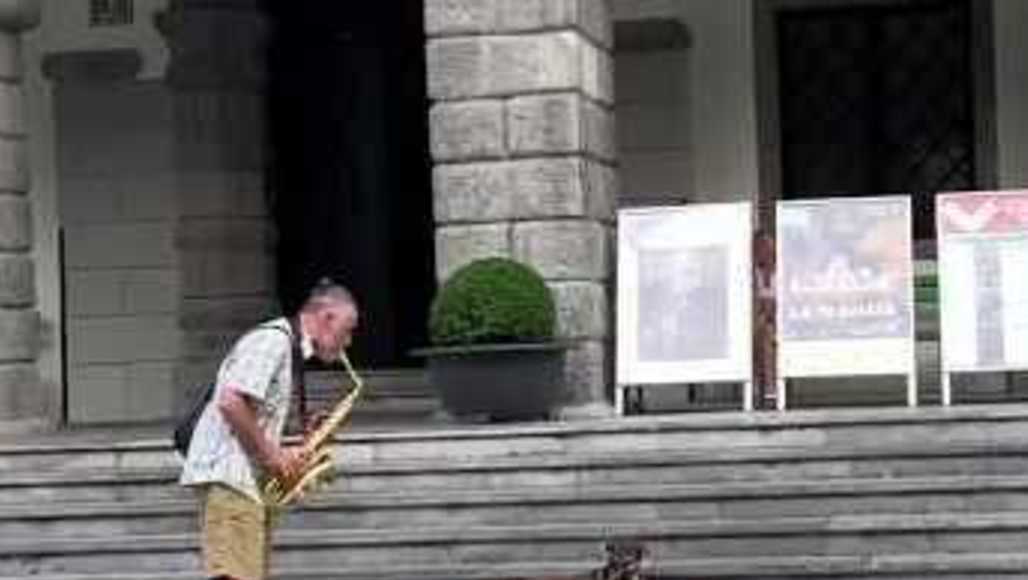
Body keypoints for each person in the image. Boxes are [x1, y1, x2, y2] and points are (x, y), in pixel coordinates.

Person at [179, 279, 359, 580]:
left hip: (243, 483)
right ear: (326, 317)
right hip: (232, 479)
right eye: (348, 329)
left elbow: (249, 412)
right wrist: (273, 457)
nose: (349, 341)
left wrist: (294, 444)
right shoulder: (273, 341)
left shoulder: (286, 347)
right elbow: (231, 402)